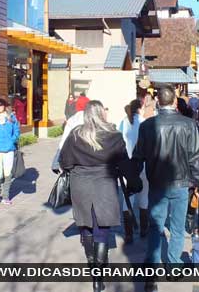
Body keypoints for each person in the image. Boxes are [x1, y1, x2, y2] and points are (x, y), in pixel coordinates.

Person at [59, 101, 142, 292]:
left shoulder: (76, 135)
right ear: (101, 114)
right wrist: (134, 181)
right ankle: (98, 277)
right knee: (102, 229)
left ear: (86, 115)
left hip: (81, 185)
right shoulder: (113, 135)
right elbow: (124, 162)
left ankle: (94, 271)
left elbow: (65, 161)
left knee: (86, 227)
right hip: (105, 183)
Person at [133, 86, 199, 273]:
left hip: (157, 182)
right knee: (177, 227)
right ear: (174, 102)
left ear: (158, 102)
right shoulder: (188, 124)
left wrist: (133, 178)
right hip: (181, 183)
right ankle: (174, 265)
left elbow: (138, 156)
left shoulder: (147, 126)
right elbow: (196, 157)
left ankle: (152, 264)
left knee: (155, 225)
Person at [118, 99, 148, 242]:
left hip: (127, 166)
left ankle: (128, 234)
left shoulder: (123, 122)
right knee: (144, 199)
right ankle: (143, 230)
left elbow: (118, 143)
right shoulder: (145, 123)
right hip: (142, 165)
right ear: (140, 108)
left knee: (127, 199)